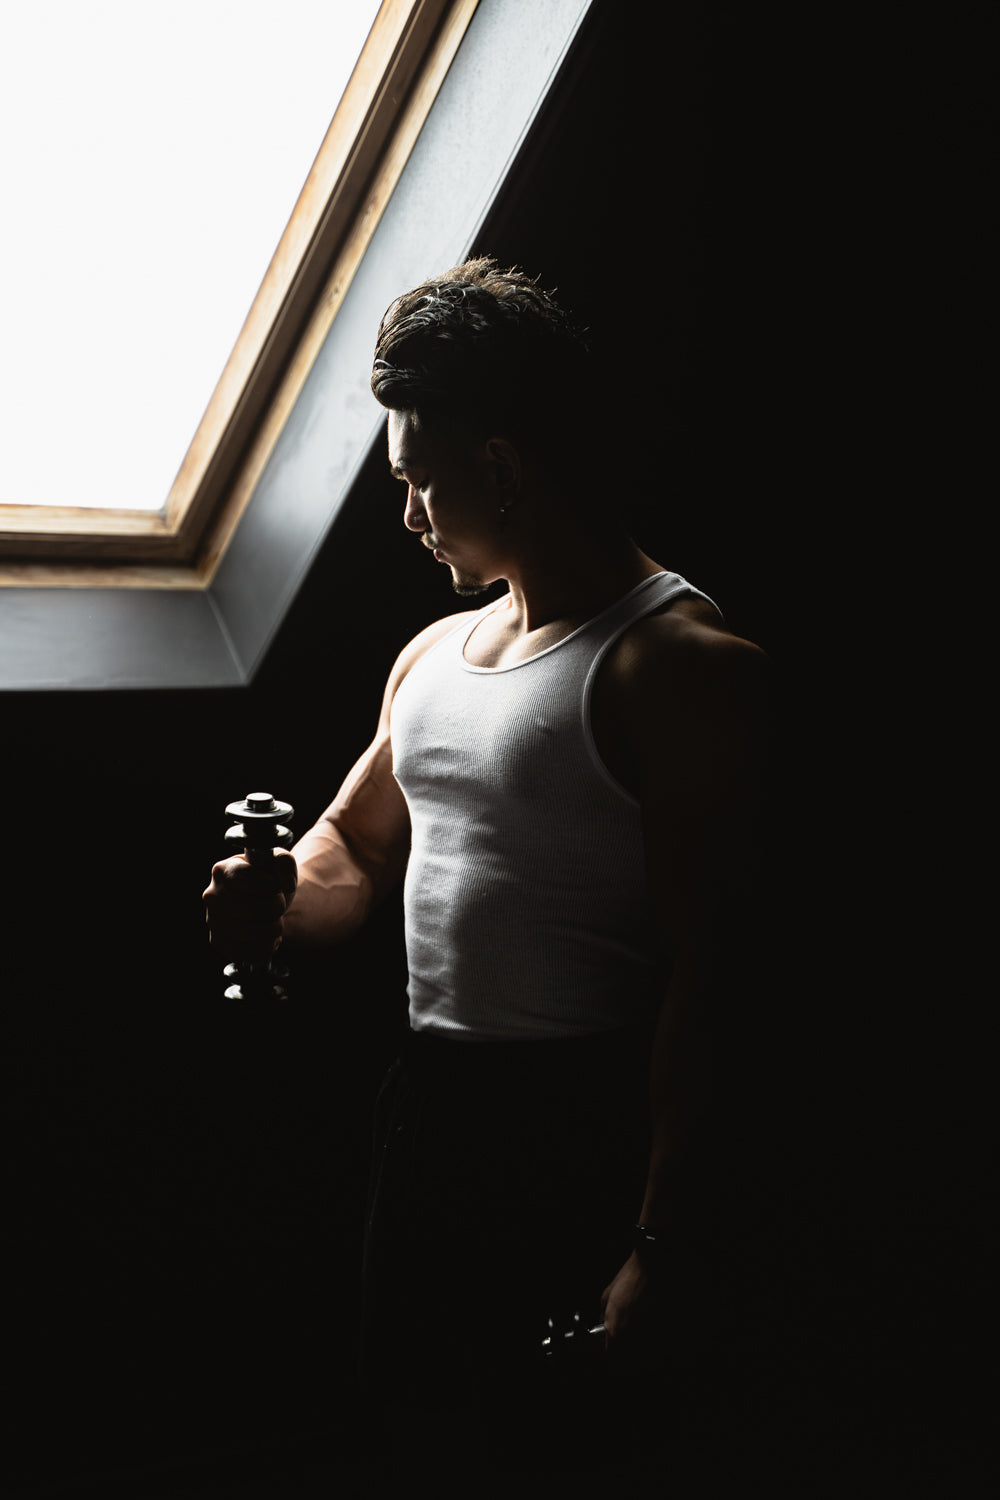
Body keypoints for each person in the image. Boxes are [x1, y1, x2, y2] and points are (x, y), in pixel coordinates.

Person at [203, 257, 768, 1476]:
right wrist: (281, 894)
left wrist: (664, 1244)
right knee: (416, 1431)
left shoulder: (676, 667)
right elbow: (354, 844)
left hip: (583, 1128)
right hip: (431, 1112)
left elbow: (721, 984)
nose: (406, 513)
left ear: (503, 469)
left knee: (563, 1459)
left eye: (419, 480)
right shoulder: (433, 658)